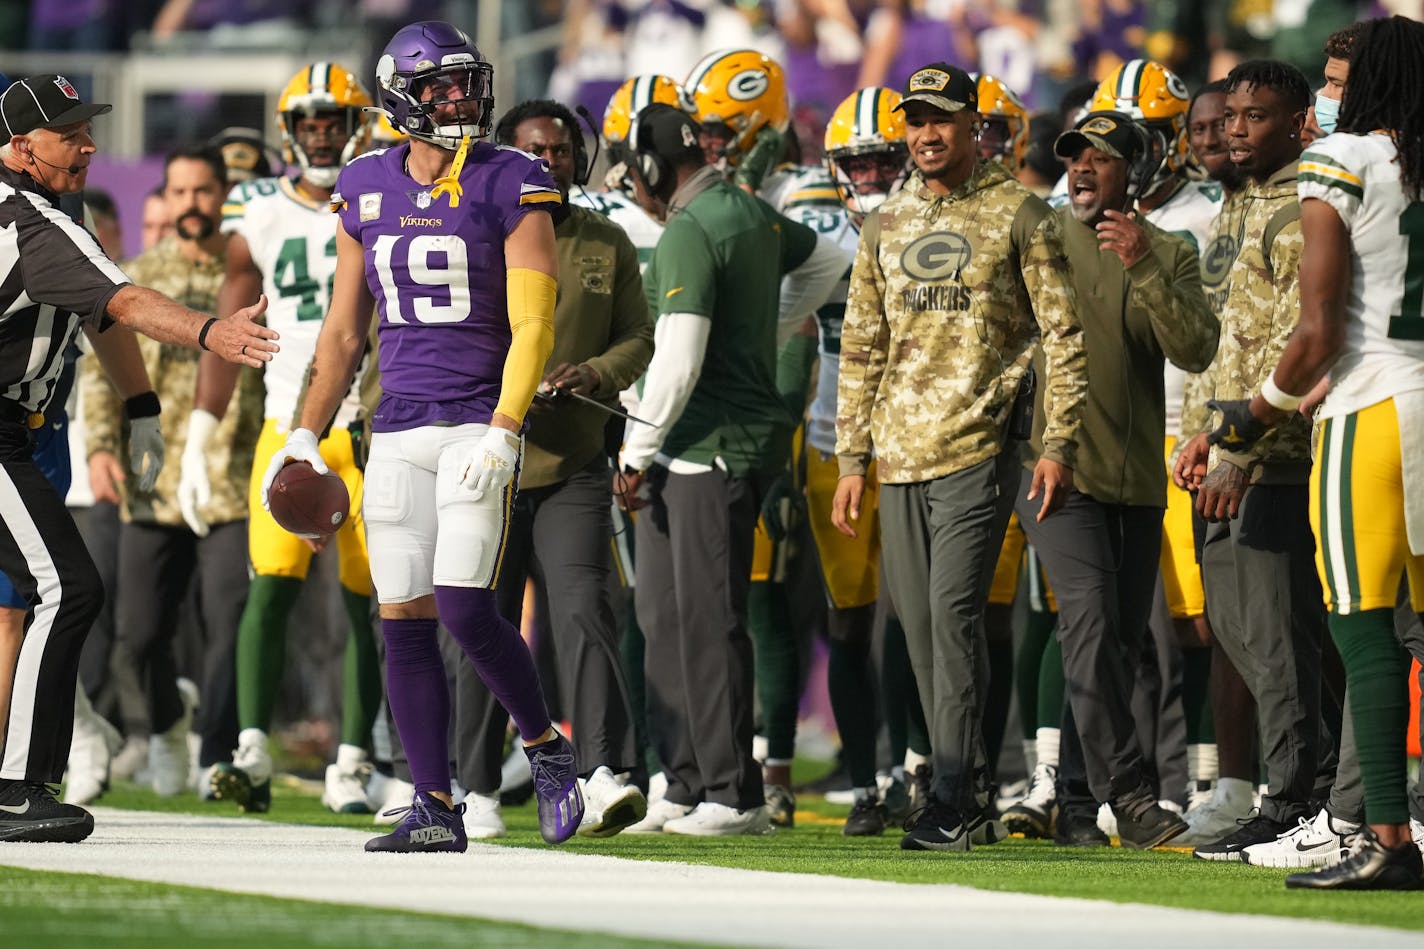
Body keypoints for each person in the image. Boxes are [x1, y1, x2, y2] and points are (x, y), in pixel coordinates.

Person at [259, 20, 582, 854]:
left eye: (466, 83)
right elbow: (340, 335)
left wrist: (508, 425)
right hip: (396, 424)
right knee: (400, 617)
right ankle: (434, 804)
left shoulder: (514, 178)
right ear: (403, 94)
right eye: (441, 87)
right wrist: (304, 432)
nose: (461, 99)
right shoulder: (365, 184)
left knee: (470, 608)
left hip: (478, 419)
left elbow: (534, 323)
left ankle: (547, 749)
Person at [0, 74, 275, 844]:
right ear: (23, 146)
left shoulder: (50, 205)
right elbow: (123, 300)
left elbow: (99, 313)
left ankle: (26, 776)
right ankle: (17, 785)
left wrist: (142, 407)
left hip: (15, 427)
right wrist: (212, 332)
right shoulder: (33, 220)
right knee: (65, 585)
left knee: (42, 592)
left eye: (88, 127)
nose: (88, 145)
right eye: (70, 134)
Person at [831, 62, 1086, 852]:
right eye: (917, 120)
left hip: (979, 447)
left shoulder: (1023, 214)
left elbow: (1065, 338)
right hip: (897, 456)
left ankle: (954, 789)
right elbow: (861, 347)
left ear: (976, 126)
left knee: (952, 617)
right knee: (915, 631)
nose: (928, 134)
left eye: (943, 119)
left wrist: (1057, 442)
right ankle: (961, 783)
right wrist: (850, 457)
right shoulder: (885, 223)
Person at [1211, 16, 1424, 889]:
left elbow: (1316, 330)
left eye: (1335, 81)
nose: (1320, 99)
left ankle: (1385, 837)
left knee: (1363, 626)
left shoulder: (1343, 162)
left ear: (1366, 82)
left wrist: (1245, 418)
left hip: (1371, 401)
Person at [614, 102, 842, 836]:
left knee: (708, 620)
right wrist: (765, 329)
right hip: (694, 442)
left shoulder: (693, 226)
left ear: (651, 166)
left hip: (705, 443)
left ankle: (731, 790)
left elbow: (676, 362)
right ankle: (683, 781)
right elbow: (830, 261)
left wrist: (633, 453)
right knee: (665, 617)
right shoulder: (746, 210)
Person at [182, 62, 384, 817]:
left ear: (357, 124)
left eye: (333, 121)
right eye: (310, 123)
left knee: (370, 598)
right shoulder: (258, 207)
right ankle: (253, 745)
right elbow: (234, 323)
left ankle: (356, 759)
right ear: (288, 132)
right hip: (283, 422)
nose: (322, 134)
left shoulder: (381, 194)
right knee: (270, 587)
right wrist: (205, 427)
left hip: (364, 422)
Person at [450, 97, 653, 840]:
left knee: (585, 612)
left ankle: (602, 772)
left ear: (581, 157)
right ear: (505, 154)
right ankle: (472, 785)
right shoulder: (473, 226)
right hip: (486, 462)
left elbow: (639, 336)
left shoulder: (607, 238)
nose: (549, 161)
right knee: (480, 621)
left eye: (561, 150)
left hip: (574, 460)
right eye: (534, 148)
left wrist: (595, 374)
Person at [1019, 110, 1219, 850]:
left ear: (1136, 170)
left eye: (1101, 158)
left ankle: (1074, 798)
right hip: (1054, 468)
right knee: (1093, 623)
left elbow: (1196, 348)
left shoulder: (1171, 250)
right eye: (1075, 156)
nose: (1081, 168)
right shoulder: (1037, 238)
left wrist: (1142, 264)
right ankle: (1132, 796)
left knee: (1121, 643)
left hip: (1136, 477)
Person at [1176, 59, 1333, 863]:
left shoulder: (1309, 201)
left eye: (1257, 116)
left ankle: (1298, 796)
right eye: (1230, 115)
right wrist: (1199, 431)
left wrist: (1241, 445)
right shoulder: (1236, 204)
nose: (1236, 129)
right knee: (1240, 635)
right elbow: (1222, 335)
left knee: (1279, 643)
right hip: (1224, 446)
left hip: (1277, 455)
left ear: (1301, 120)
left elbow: (1297, 340)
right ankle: (1305, 792)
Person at [82, 144, 262, 799]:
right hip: (151, 483)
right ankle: (162, 729)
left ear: (224, 194)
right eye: (179, 192)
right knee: (137, 635)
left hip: (232, 480)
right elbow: (100, 369)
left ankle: (216, 752)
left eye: (204, 191)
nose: (192, 204)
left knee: (229, 621)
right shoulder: (138, 273)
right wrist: (101, 444)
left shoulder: (250, 271)